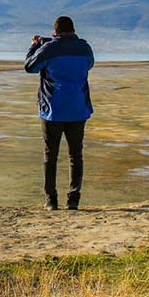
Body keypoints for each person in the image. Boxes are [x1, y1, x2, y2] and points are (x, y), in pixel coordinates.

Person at [24, 15, 94, 210]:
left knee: (50, 155)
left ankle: (51, 200)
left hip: (52, 110)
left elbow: (30, 67)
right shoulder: (85, 48)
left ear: (55, 32)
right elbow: (89, 65)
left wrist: (35, 46)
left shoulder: (49, 48)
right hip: (78, 109)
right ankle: (73, 200)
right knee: (75, 155)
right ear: (73, 30)